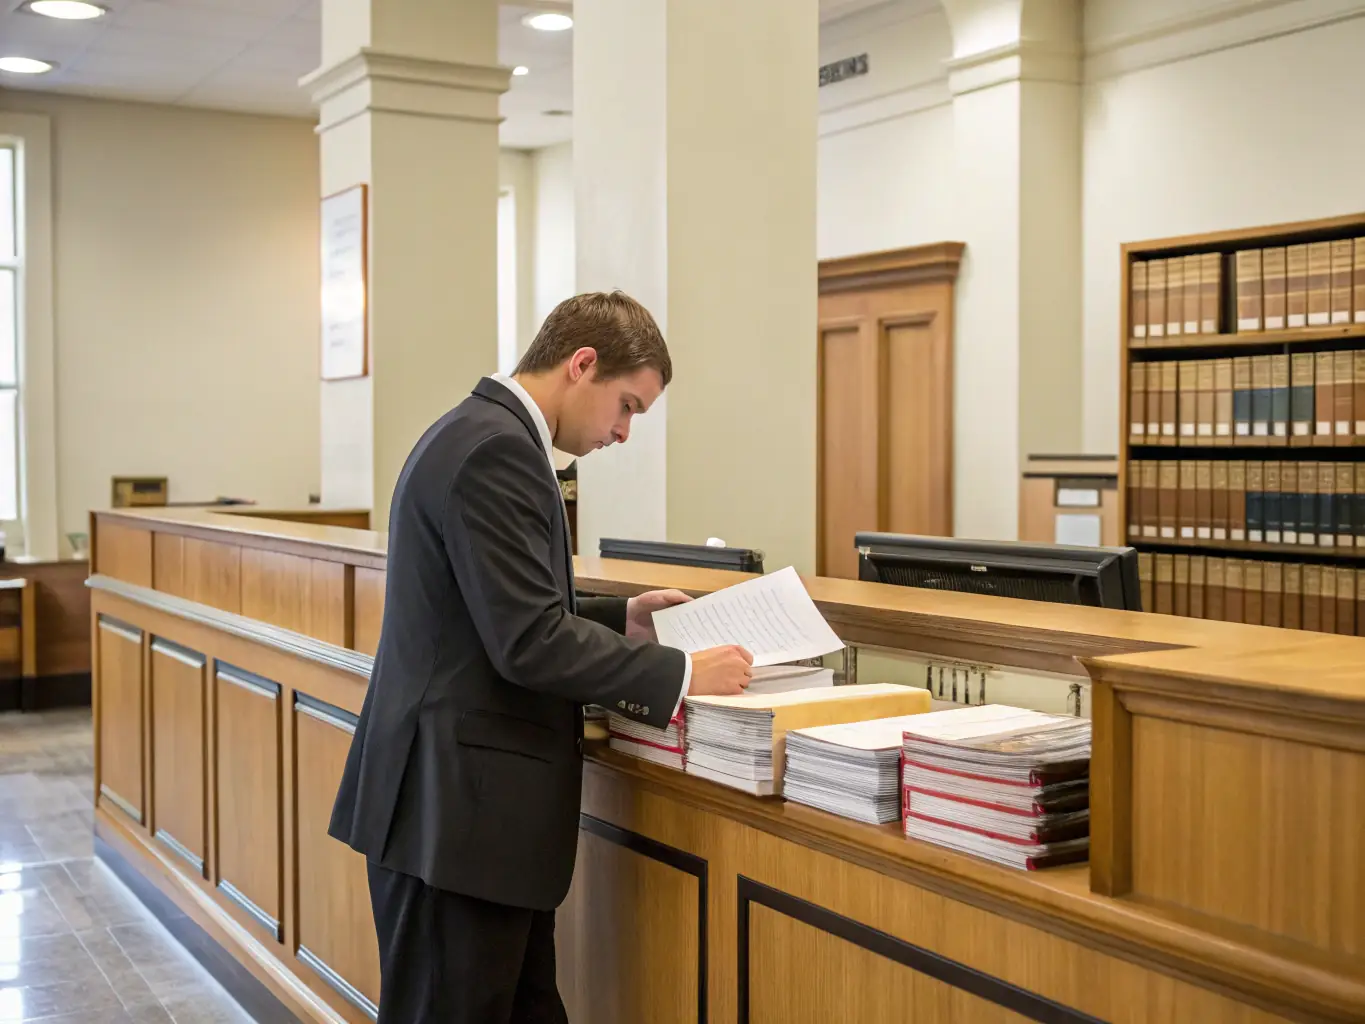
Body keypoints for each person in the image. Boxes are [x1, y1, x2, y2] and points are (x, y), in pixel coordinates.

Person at [328, 291, 755, 1023]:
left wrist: (624, 620)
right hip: (457, 814)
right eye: (626, 406)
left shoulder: (477, 432)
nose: (622, 432)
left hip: (463, 813)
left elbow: (493, 612)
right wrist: (681, 673)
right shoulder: (496, 449)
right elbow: (526, 641)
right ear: (581, 364)